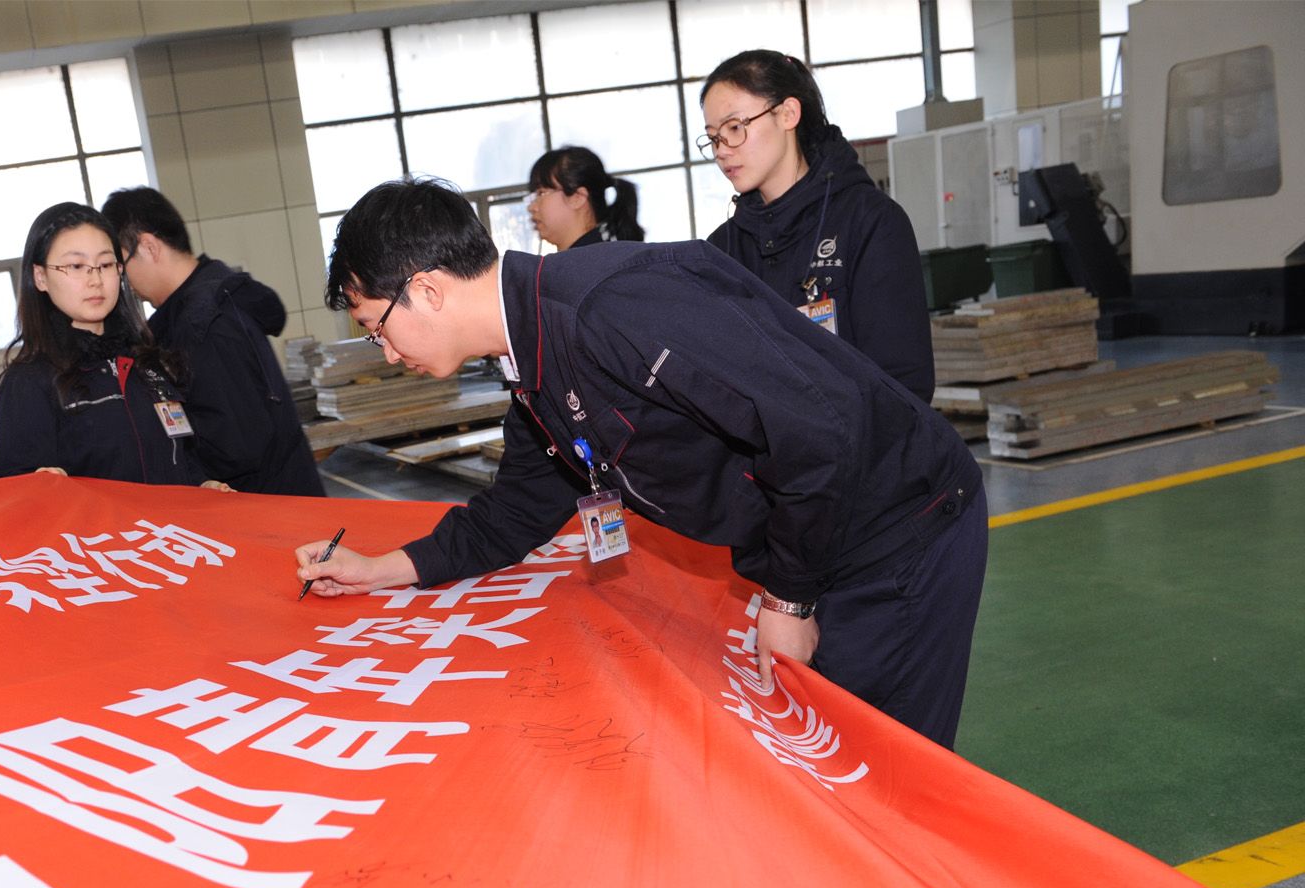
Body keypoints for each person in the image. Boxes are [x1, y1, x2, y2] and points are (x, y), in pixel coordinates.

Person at [295, 179, 986, 748]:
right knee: (826, 752)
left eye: (375, 327)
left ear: (428, 289)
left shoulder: (613, 306)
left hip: (898, 525)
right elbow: (515, 511)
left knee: (881, 768)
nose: (386, 353)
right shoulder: (532, 359)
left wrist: (789, 597)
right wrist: (381, 570)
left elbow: (816, 429)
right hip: (818, 533)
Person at [700, 50, 935, 403]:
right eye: (714, 137)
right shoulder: (722, 249)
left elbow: (903, 384)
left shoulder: (868, 221)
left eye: (735, 128)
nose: (722, 150)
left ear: (788, 114)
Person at [0, 202, 228, 491]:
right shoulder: (30, 381)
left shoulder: (146, 361)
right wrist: (36, 486)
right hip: (104, 536)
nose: (95, 280)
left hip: (174, 531)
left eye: (105, 265)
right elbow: (10, 492)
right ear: (40, 277)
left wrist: (203, 484)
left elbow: (180, 456)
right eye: (76, 266)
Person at [100, 186, 324, 496]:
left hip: (268, 510)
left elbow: (238, 444)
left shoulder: (203, 323)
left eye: (122, 266)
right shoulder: (210, 301)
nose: (124, 283)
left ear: (149, 247)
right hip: (281, 499)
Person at [525, 146, 644, 251]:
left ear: (577, 197)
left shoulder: (595, 265)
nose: (531, 207)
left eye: (541, 193)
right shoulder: (593, 259)